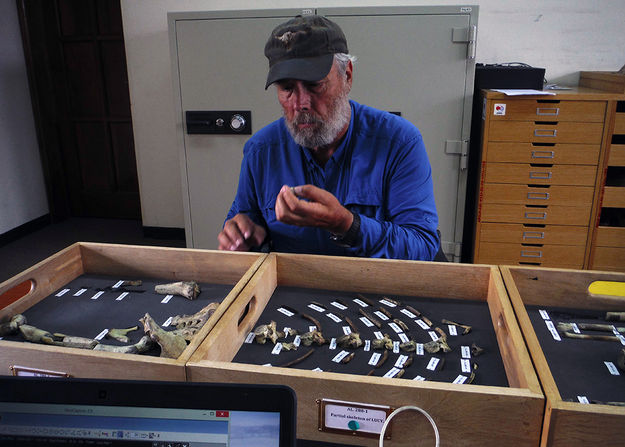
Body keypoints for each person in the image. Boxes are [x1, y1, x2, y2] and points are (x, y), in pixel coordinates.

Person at [218, 14, 439, 260]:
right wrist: (242, 235)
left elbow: (422, 245)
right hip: (291, 289)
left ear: (348, 76)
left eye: (315, 85)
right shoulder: (261, 150)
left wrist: (348, 225)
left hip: (375, 289)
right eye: (287, 88)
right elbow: (244, 221)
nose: (300, 104)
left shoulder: (399, 143)